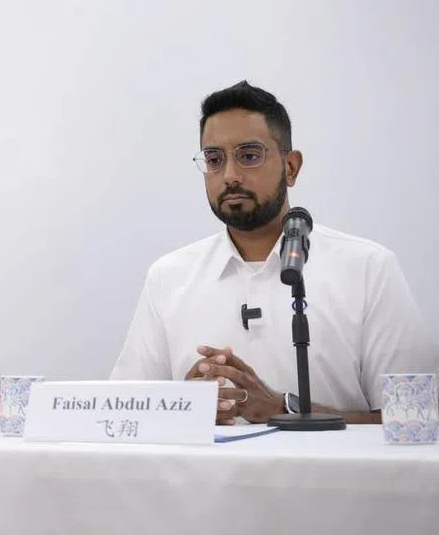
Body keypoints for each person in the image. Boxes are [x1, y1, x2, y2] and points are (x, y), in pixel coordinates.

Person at [111, 81, 439, 425]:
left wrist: (282, 408)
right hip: (203, 480)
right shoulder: (168, 276)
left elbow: (420, 421)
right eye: (214, 159)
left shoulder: (368, 269)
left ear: (291, 167)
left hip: (333, 480)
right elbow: (124, 414)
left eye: (249, 156)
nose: (230, 175)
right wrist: (180, 406)